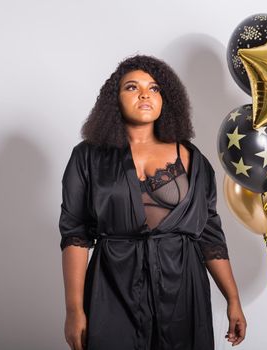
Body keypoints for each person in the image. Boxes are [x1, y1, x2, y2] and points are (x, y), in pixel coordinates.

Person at [59, 54, 247, 350]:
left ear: (166, 99)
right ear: (115, 100)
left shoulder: (193, 159)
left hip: (183, 289)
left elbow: (209, 234)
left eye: (154, 88)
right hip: (113, 285)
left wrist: (233, 299)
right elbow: (75, 235)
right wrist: (74, 309)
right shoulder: (87, 157)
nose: (145, 94)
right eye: (132, 87)